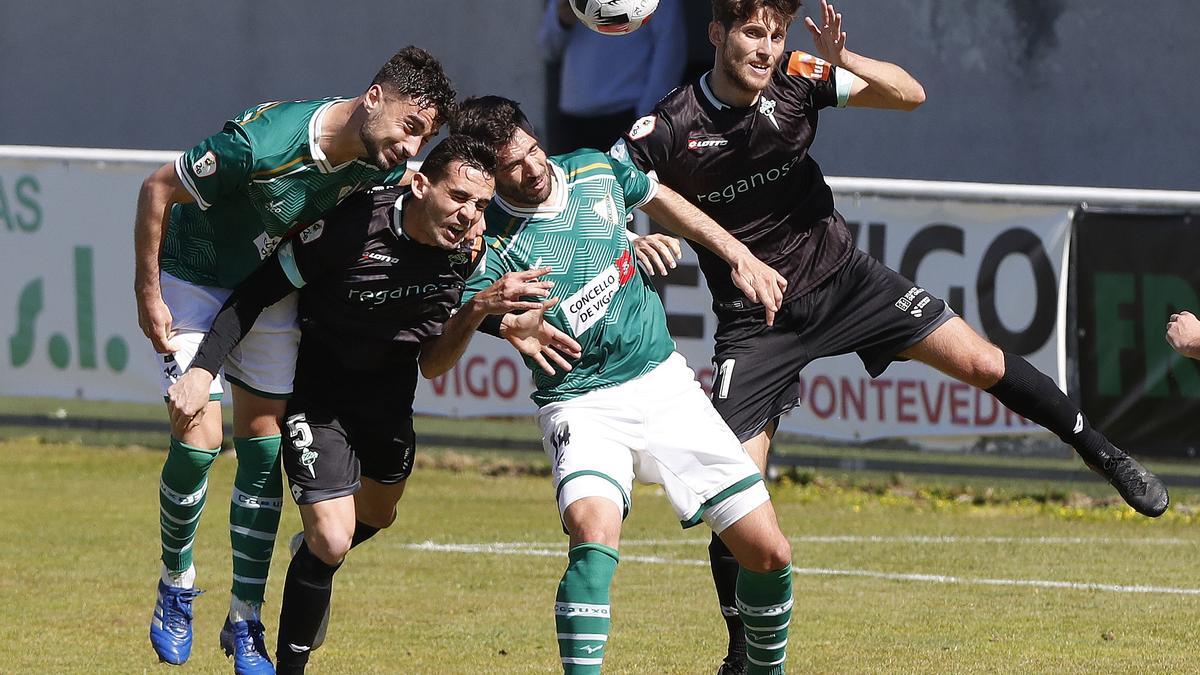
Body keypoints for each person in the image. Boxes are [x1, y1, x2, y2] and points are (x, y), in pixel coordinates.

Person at [614, 1, 1171, 672]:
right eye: (752, 33)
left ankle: (1107, 455)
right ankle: (740, 644)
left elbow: (910, 94)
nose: (766, 47)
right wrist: (627, 239)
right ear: (717, 35)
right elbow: (601, 183)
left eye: (775, 33)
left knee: (982, 359)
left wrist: (842, 58)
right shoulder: (672, 125)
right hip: (756, 321)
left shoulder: (798, 75)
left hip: (849, 281)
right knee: (734, 489)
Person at [166, 135, 579, 673]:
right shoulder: (350, 229)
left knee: (377, 517)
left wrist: (484, 313)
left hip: (388, 403)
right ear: (420, 183)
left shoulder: (467, 251)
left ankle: (310, 553)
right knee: (333, 539)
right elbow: (254, 293)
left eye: (480, 204)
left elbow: (432, 362)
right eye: (458, 197)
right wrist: (201, 371)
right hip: (320, 400)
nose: (468, 216)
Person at [135, 46, 457, 672]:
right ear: (375, 96)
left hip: (268, 288)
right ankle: (176, 581)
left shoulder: (379, 166)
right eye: (409, 126)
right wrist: (148, 291)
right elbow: (157, 187)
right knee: (199, 433)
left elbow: (448, 187)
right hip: (194, 280)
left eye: (424, 137)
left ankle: (245, 618)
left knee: (262, 444)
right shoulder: (260, 144)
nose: (410, 147)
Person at [451, 95, 794, 675]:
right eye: (514, 165)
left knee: (770, 553)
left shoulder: (592, 168)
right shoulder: (489, 239)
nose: (535, 168)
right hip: (579, 403)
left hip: (662, 384)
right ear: (490, 174)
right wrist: (510, 323)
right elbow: (481, 312)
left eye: (533, 150)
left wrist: (737, 254)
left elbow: (659, 198)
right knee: (593, 533)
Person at [538, 0, 686, 154]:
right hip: (572, 119)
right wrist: (562, 21)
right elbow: (549, 50)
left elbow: (671, 47)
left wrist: (648, 113)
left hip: (627, 114)